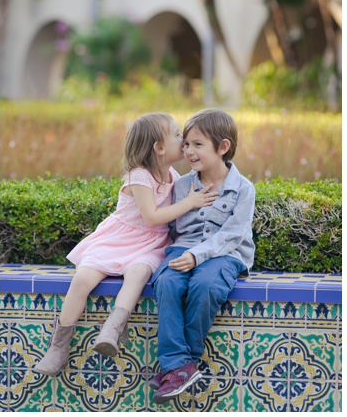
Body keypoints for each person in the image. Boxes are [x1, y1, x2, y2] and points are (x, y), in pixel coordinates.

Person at [34, 113, 218, 377]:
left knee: (139, 273)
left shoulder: (173, 175)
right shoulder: (139, 176)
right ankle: (58, 346)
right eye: (177, 135)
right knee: (83, 278)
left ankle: (112, 329)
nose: (184, 141)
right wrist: (190, 202)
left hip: (149, 245)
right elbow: (152, 216)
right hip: (119, 239)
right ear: (159, 147)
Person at [150, 109, 255, 404]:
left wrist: (198, 256)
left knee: (206, 286)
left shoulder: (243, 189)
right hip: (184, 250)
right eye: (186, 144)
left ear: (223, 147)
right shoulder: (182, 185)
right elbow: (170, 227)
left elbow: (233, 235)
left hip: (227, 254)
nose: (188, 151)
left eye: (198, 144)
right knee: (167, 283)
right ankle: (179, 366)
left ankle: (180, 364)